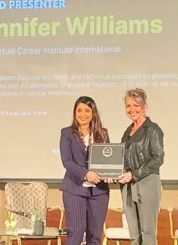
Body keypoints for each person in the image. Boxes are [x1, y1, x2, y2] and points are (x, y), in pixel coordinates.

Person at [59, 96, 110, 245]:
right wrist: (86, 174)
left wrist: (109, 174)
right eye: (79, 110)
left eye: (87, 110)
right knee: (75, 234)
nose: (83, 114)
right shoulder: (67, 133)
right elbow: (67, 161)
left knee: (95, 237)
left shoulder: (103, 133)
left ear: (93, 113)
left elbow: (107, 160)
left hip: (99, 192)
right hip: (74, 190)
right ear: (74, 112)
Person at [118, 88, 164, 245]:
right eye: (128, 106)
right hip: (129, 187)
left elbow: (158, 158)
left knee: (147, 234)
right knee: (134, 235)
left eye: (136, 105)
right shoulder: (128, 131)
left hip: (147, 183)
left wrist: (134, 174)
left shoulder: (153, 129)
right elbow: (122, 158)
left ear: (144, 107)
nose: (132, 109)